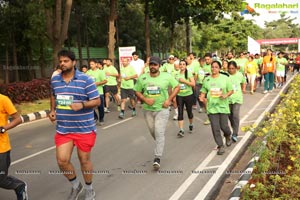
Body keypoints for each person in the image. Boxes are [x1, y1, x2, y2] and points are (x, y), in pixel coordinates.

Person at [49, 49, 100, 200]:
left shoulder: (86, 80)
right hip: (64, 129)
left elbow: (97, 101)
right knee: (62, 161)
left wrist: (82, 105)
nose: (62, 64)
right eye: (61, 61)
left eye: (66, 61)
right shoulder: (55, 80)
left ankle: (89, 189)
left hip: (84, 129)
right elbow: (53, 95)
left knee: (84, 160)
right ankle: (76, 185)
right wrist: (52, 110)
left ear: (74, 62)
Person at [134, 56, 180, 170]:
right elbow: (137, 91)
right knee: (153, 132)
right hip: (148, 110)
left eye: (155, 65)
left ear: (159, 66)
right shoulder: (143, 78)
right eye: (151, 65)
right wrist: (145, 100)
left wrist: (169, 100)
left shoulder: (167, 76)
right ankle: (160, 143)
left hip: (162, 109)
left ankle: (157, 158)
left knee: (159, 132)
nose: (152, 67)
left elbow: (177, 87)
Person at [199, 61, 233, 155]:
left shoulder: (225, 78)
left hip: (223, 106)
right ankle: (220, 146)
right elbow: (203, 90)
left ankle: (228, 135)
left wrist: (225, 95)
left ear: (220, 68)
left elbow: (231, 90)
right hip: (212, 107)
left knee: (224, 126)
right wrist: (202, 97)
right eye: (212, 67)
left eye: (216, 67)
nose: (214, 69)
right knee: (215, 128)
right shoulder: (207, 79)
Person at [0, 94, 27, 200]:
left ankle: (19, 186)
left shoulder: (3, 99)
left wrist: (3, 128)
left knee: (1, 179)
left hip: (1, 149)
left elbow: (18, 119)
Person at [175, 59, 195, 137]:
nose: (182, 65)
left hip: (188, 95)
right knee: (180, 112)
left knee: (189, 112)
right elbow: (174, 85)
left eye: (183, 64)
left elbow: (193, 84)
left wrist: (184, 81)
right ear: (179, 66)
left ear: (186, 66)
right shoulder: (176, 74)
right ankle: (181, 130)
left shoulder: (189, 73)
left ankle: (191, 124)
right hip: (179, 95)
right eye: (180, 64)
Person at [228, 61, 246, 142]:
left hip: (237, 98)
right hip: (228, 99)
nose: (231, 70)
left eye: (233, 68)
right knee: (230, 116)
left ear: (236, 68)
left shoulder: (239, 75)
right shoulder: (226, 75)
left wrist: (243, 89)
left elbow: (243, 82)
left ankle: (235, 133)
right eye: (230, 68)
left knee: (235, 115)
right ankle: (234, 128)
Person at [86, 59, 107, 125]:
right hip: (90, 92)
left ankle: (101, 118)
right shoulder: (88, 72)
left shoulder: (100, 72)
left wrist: (98, 83)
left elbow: (105, 81)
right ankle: (95, 117)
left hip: (99, 91)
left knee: (100, 106)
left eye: (92, 64)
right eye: (90, 64)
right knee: (90, 106)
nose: (91, 65)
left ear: (96, 64)